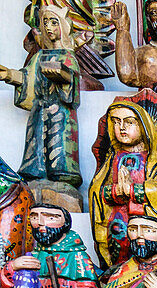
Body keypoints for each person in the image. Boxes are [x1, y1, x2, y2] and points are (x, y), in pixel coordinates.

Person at [0, 0, 82, 196]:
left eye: (53, 22)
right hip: (39, 109)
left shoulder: (68, 56)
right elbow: (28, 79)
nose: (48, 27)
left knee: (59, 145)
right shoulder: (39, 57)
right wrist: (10, 75)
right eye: (45, 23)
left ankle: (62, 175)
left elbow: (71, 82)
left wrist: (60, 74)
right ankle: (35, 174)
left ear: (63, 26)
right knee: (36, 142)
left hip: (61, 112)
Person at [88, 98, 157, 268]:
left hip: (144, 219)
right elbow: (96, 190)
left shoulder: (151, 159)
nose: (122, 127)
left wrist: (133, 190)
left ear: (143, 127)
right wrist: (114, 191)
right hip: (116, 223)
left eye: (129, 122)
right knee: (118, 259)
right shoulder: (112, 159)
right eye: (116, 122)